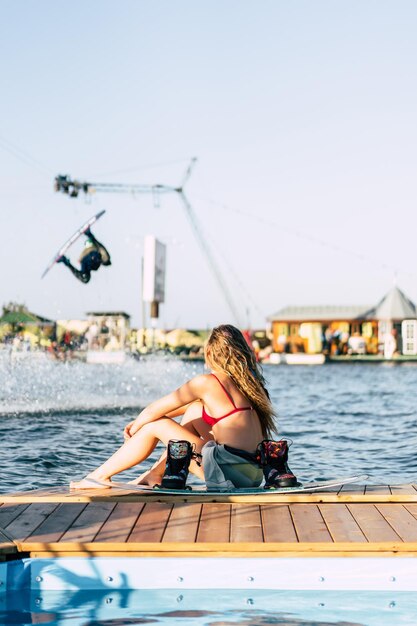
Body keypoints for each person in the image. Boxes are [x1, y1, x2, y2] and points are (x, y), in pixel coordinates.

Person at [71, 324, 297, 491]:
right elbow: (180, 408)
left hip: (228, 475)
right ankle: (154, 476)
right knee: (194, 411)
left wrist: (138, 426)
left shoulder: (207, 383)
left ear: (210, 353)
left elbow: (154, 411)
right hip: (252, 475)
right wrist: (149, 420)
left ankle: (98, 477)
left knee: (155, 426)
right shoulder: (249, 386)